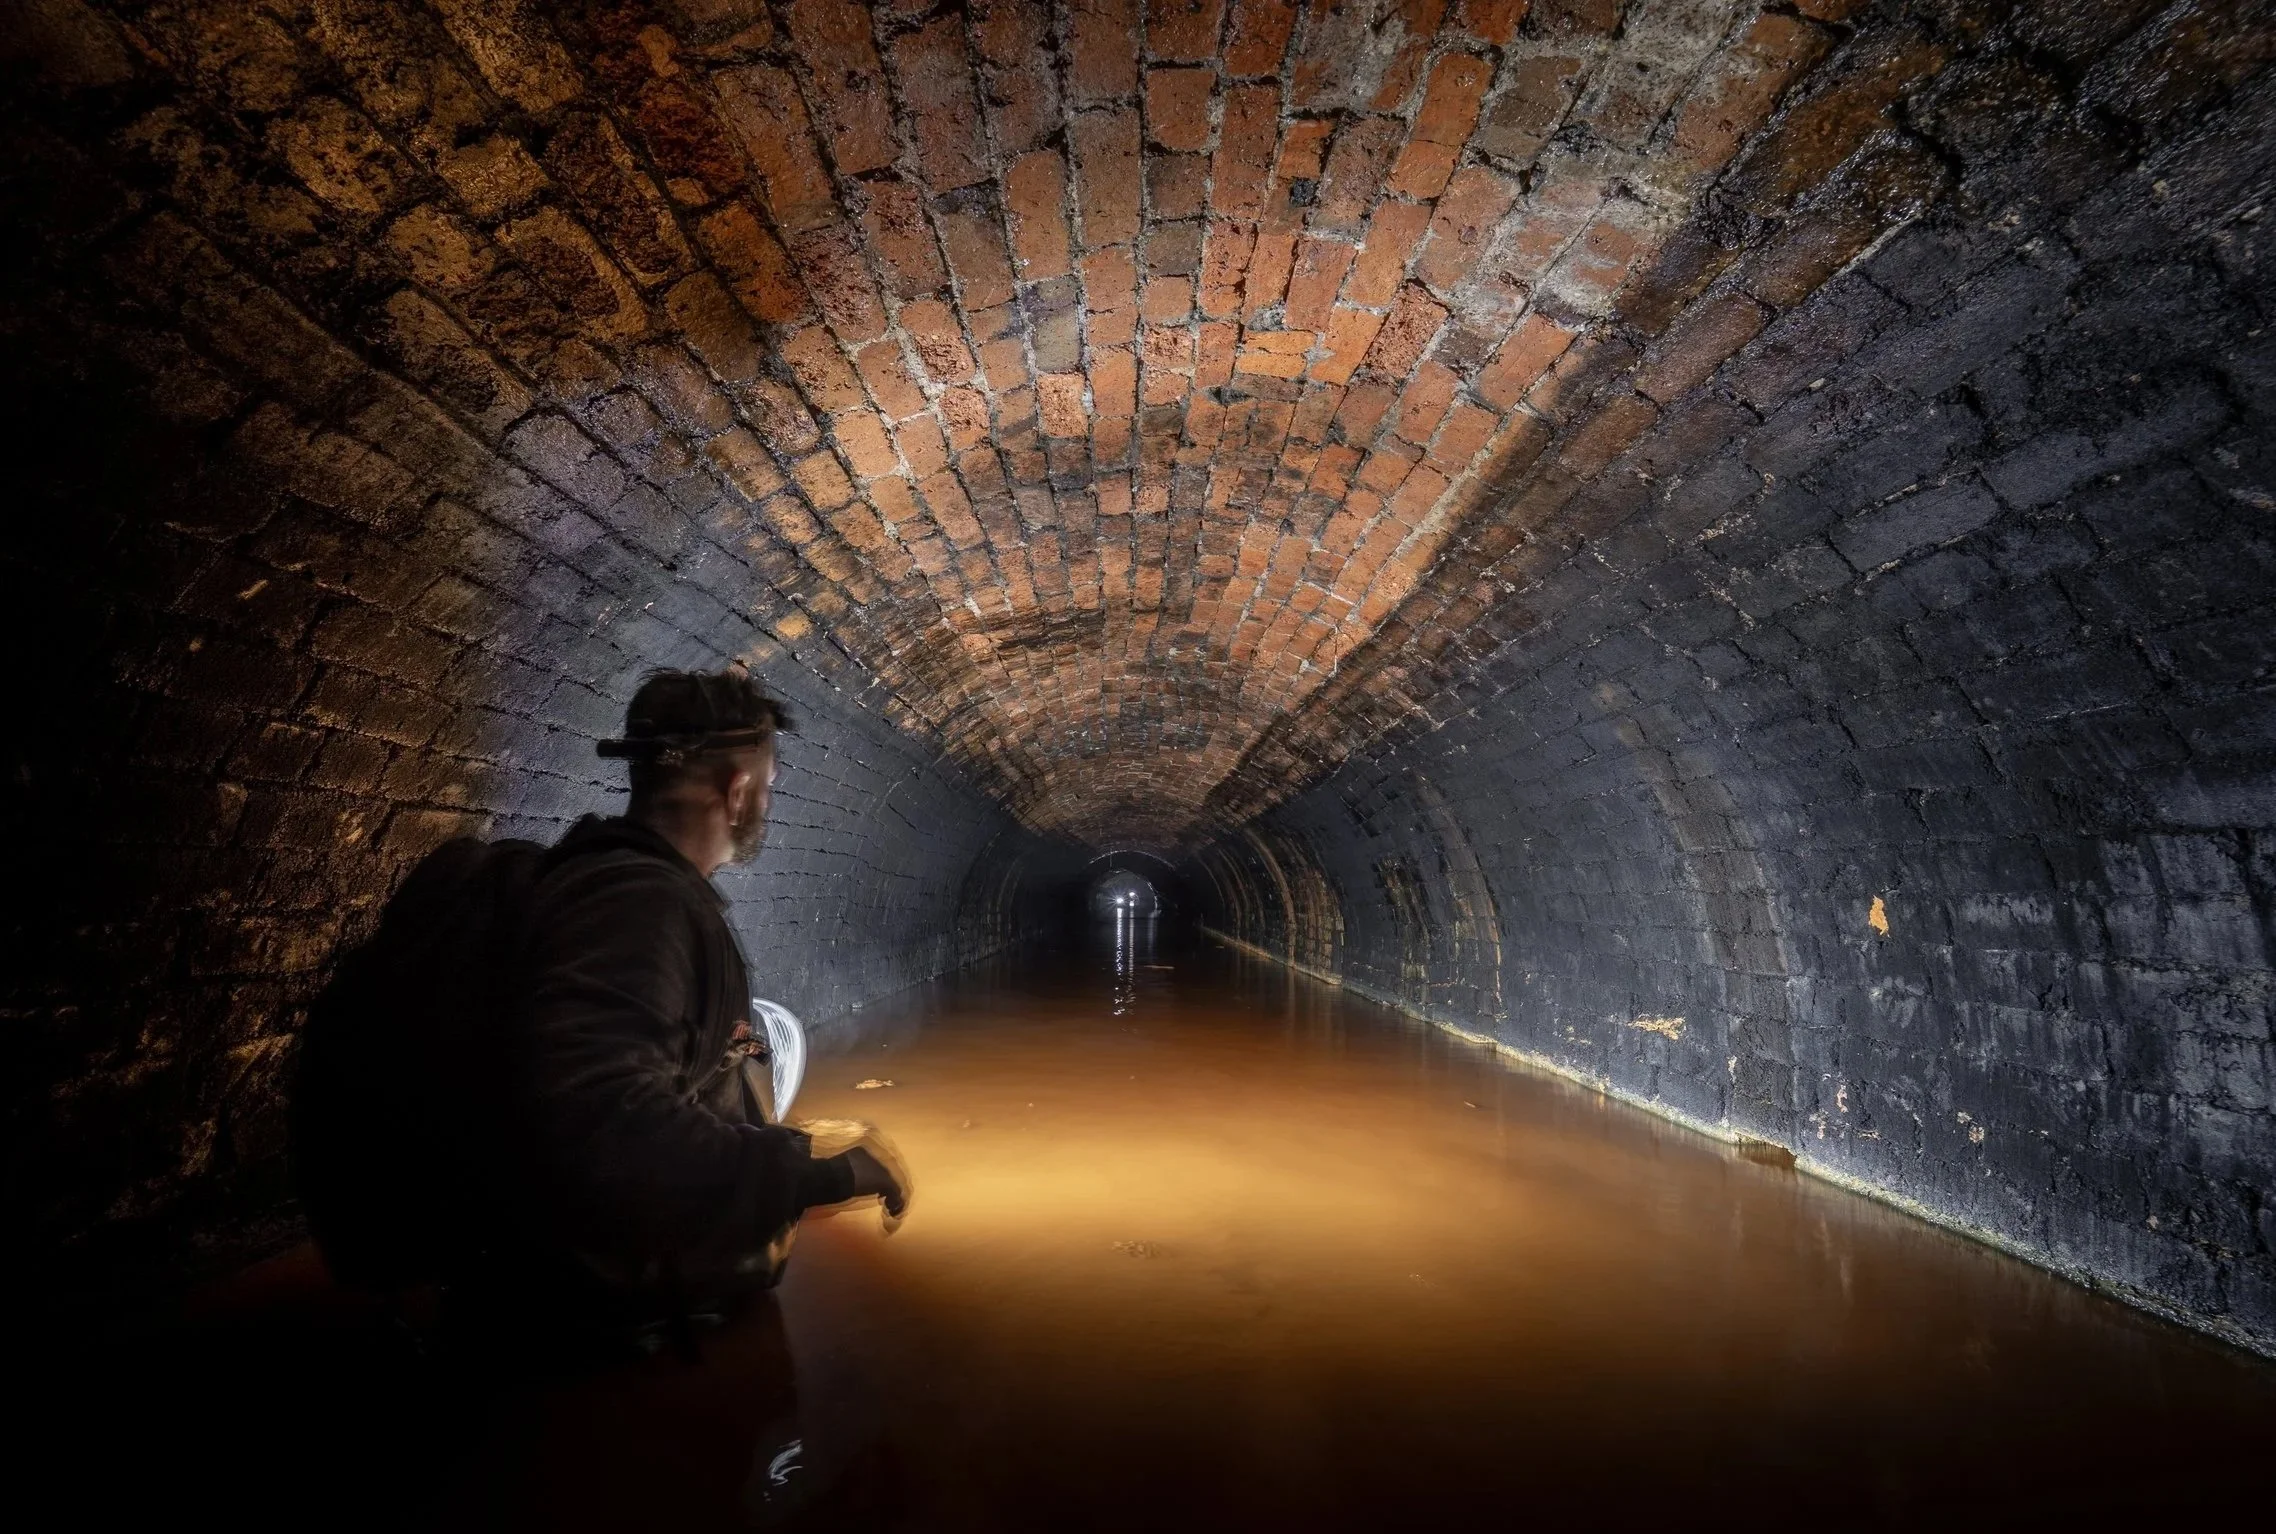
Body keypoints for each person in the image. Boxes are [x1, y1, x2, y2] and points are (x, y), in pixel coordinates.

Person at [464, 669, 908, 1347]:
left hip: (638, 1321)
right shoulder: (638, 907)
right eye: (768, 786)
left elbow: (654, 1092)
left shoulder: (625, 889)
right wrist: (821, 1175)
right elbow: (606, 1126)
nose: (765, 802)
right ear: (738, 792)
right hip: (608, 1363)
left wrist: (777, 1151)